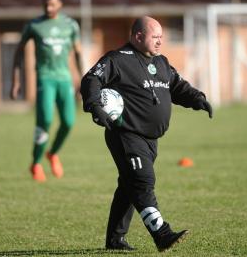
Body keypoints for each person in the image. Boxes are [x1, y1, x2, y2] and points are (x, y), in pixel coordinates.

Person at [80, 16, 213, 252]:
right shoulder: (118, 59)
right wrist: (95, 106)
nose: (160, 41)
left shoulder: (161, 63)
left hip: (151, 140)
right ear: (138, 36)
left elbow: (177, 86)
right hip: (126, 134)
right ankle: (162, 234)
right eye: (155, 37)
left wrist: (197, 99)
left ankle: (115, 240)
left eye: (162, 37)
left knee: (129, 187)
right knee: (143, 181)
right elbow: (91, 79)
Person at [11, 0, 83, 182]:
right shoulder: (34, 25)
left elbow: (77, 53)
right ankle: (35, 163)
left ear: (60, 4)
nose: (49, 8)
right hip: (45, 78)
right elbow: (18, 52)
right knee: (45, 121)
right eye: (46, 5)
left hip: (64, 79)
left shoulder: (70, 25)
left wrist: (83, 79)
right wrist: (16, 81)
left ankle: (52, 153)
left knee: (68, 122)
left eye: (53, 4)